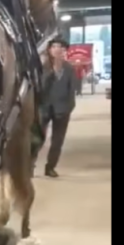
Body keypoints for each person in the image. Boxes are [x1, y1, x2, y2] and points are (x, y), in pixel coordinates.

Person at [40, 38, 77, 178]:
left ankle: (50, 167)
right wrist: (51, 72)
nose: (57, 49)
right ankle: (29, 166)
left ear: (64, 51)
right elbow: (40, 88)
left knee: (57, 141)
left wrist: (68, 108)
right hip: (44, 108)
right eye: (54, 47)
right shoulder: (44, 68)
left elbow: (72, 90)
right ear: (49, 50)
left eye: (60, 47)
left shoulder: (69, 68)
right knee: (37, 138)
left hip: (62, 110)